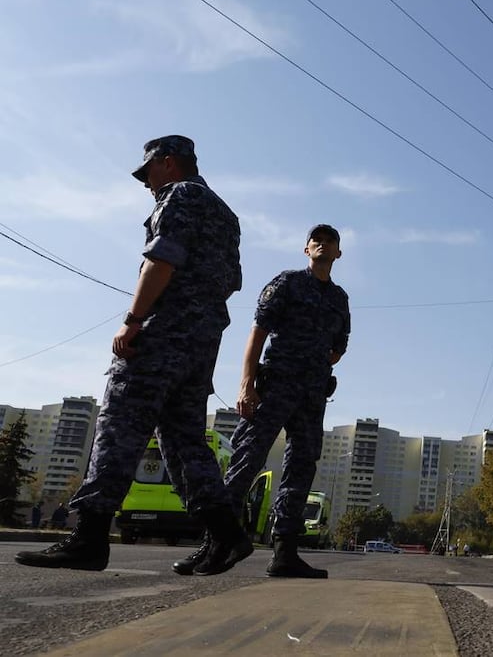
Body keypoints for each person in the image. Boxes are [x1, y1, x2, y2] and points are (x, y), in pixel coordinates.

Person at [16, 135, 249, 575]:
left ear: (169, 163)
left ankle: (89, 538)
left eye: (148, 172)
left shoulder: (179, 195)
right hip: (203, 340)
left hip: (163, 333)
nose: (145, 183)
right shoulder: (225, 213)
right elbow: (231, 281)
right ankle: (225, 533)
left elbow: (162, 261)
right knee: (183, 440)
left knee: (119, 424)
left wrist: (134, 319)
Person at [174, 224, 350, 579]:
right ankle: (217, 542)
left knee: (301, 468)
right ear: (306, 250)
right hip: (274, 388)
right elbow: (258, 332)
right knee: (246, 460)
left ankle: (285, 552)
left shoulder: (339, 298)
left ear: (338, 253)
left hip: (312, 396)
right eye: (316, 240)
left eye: (329, 241)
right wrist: (246, 384)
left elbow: (338, 347)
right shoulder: (287, 283)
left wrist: (314, 366)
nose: (322, 244)